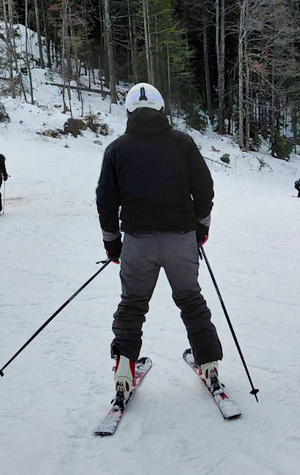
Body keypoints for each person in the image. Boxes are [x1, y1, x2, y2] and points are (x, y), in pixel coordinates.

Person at [96, 82, 223, 402]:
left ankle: (124, 370)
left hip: (138, 242)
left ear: (130, 111)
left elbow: (106, 201)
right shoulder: (182, 143)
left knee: (132, 304)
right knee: (191, 300)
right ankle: (209, 365)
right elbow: (205, 189)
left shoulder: (116, 149)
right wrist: (200, 228)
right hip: (180, 239)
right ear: (160, 109)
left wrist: (112, 243)